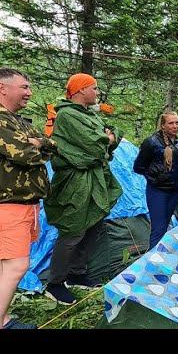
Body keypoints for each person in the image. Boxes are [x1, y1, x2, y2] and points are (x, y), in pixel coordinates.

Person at [0, 67, 57, 329]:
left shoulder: (14, 119)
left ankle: (0, 319)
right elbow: (25, 154)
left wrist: (39, 142)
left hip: (19, 204)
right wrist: (36, 145)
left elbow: (48, 144)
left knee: (6, 265)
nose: (29, 93)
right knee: (17, 266)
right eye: (24, 87)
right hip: (4, 204)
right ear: (3, 88)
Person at [43, 73, 123, 305]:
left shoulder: (88, 114)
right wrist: (107, 139)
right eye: (94, 88)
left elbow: (108, 138)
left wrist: (108, 138)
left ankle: (76, 274)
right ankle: (55, 283)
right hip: (75, 182)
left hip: (95, 179)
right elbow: (96, 145)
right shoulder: (68, 115)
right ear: (80, 90)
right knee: (73, 230)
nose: (97, 93)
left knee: (92, 225)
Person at [134, 111, 178, 250]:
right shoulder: (151, 142)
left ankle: (161, 255)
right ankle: (152, 259)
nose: (175, 126)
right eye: (171, 123)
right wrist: (155, 177)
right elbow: (138, 167)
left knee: (165, 227)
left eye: (177, 123)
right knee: (158, 229)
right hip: (158, 191)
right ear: (163, 125)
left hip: (174, 191)